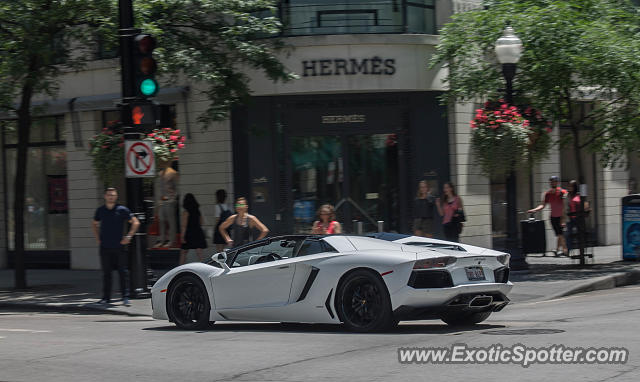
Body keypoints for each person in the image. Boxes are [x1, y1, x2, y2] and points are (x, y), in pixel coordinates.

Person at [92, 188, 140, 306]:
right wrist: (98, 238)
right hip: (105, 247)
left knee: (123, 272)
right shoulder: (100, 210)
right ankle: (106, 298)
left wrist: (129, 237)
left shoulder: (122, 210)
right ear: (105, 196)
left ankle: (125, 297)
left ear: (116, 196)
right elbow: (94, 224)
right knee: (106, 273)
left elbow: (136, 222)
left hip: (119, 247)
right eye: (109, 195)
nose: (111, 197)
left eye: (113, 195)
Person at [527, 175, 568, 256]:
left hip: (561, 217)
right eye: (551, 181)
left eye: (554, 181)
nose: (553, 183)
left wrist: (563, 219)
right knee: (559, 234)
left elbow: (566, 202)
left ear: (557, 182)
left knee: (560, 234)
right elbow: (542, 205)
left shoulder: (562, 192)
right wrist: (534, 210)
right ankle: (557, 250)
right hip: (553, 217)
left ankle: (565, 250)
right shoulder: (547, 194)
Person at [155, 160, 179, 248]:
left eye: (164, 161)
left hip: (169, 201)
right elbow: (158, 188)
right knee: (161, 220)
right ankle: (162, 240)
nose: (161, 163)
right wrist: (158, 200)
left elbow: (177, 187)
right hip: (162, 201)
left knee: (170, 221)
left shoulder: (173, 173)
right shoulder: (160, 173)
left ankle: (171, 240)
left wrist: (173, 199)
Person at [179, 193, 207, 265]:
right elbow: (202, 222)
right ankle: (204, 267)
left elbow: (184, 226)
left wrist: (182, 236)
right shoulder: (197, 211)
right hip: (197, 231)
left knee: (184, 253)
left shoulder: (186, 212)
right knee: (199, 253)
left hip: (189, 233)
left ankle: (180, 269)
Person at [565, 180, 590, 253]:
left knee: (580, 234)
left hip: (578, 217)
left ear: (574, 187)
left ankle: (582, 250)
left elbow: (585, 203)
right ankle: (568, 250)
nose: (569, 187)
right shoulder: (568, 195)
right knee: (568, 234)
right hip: (571, 217)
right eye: (569, 186)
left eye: (571, 186)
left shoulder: (579, 195)